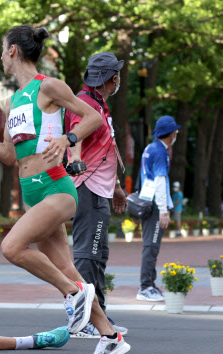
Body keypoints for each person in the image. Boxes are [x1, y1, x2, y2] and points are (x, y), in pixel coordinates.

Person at [0, 25, 129, 354]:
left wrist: (67, 139)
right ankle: (110, 336)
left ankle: (73, 294)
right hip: (32, 193)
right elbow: (10, 156)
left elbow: (93, 117)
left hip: (56, 187)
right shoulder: (12, 101)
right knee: (66, 266)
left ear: (12, 51)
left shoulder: (47, 86)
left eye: (1, 50)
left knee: (11, 247)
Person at [64, 52, 128, 338]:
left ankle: (99, 314)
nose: (119, 80)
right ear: (112, 78)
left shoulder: (99, 105)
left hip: (100, 188)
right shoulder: (84, 104)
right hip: (86, 186)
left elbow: (104, 150)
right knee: (87, 255)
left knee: (98, 255)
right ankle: (85, 319)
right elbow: (74, 139)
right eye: (118, 75)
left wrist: (115, 187)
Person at [136, 115, 181, 302]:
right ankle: (145, 287)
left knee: (150, 245)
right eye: (175, 131)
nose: (177, 133)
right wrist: (164, 210)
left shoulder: (149, 148)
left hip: (146, 200)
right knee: (151, 246)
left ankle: (149, 284)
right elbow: (160, 181)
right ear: (170, 133)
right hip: (154, 204)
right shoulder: (161, 152)